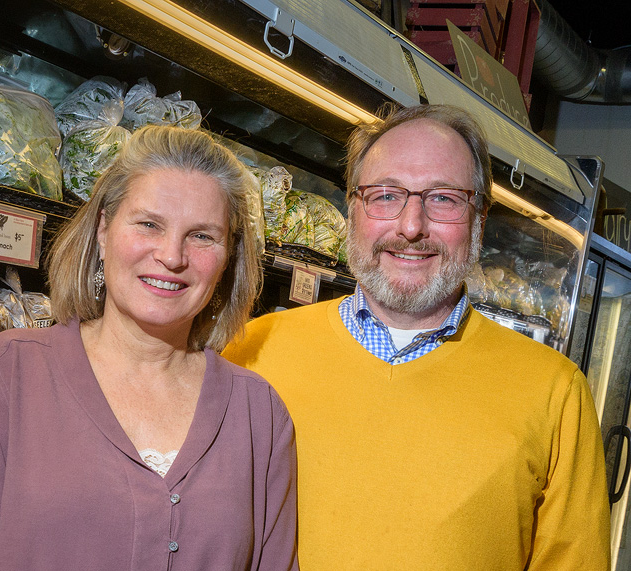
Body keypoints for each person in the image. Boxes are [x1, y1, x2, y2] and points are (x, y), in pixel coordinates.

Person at [223, 103, 610, 569]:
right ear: (353, 208)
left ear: (479, 220)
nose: (411, 227)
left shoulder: (555, 393)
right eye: (385, 195)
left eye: (443, 198)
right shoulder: (251, 350)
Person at [0, 125, 296, 570]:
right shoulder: (9, 372)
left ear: (229, 257)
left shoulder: (259, 413)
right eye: (149, 224)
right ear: (103, 230)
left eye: (202, 236)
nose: (172, 256)